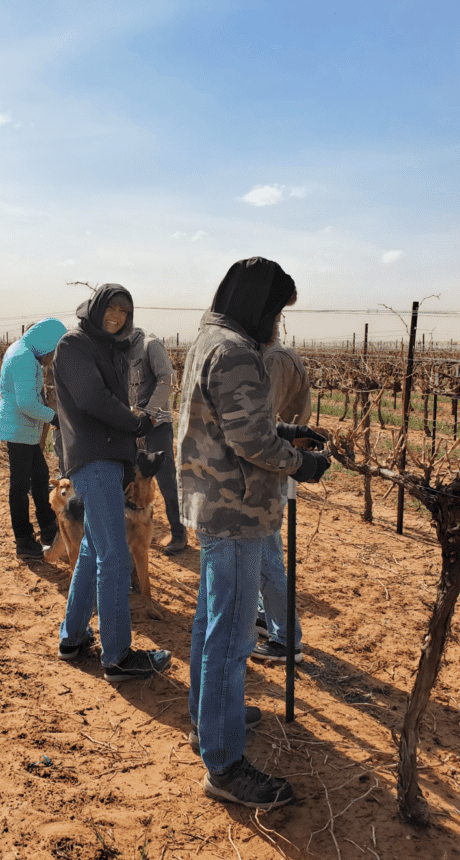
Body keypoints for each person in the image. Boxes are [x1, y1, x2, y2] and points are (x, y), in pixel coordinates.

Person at [177, 257, 330, 809]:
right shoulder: (238, 352)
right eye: (277, 311)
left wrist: (289, 429)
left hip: (210, 503)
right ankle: (223, 764)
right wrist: (300, 462)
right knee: (233, 637)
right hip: (237, 510)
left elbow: (232, 421)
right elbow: (253, 444)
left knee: (209, 624)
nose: (279, 324)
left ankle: (207, 720)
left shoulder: (209, 338)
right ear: (259, 306)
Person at [52, 284, 172, 683]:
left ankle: (72, 638)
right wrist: (135, 422)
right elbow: (92, 399)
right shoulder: (74, 344)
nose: (117, 316)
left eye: (124, 310)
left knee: (92, 550)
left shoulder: (111, 349)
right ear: (97, 309)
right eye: (111, 308)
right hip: (94, 458)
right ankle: (118, 656)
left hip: (110, 458)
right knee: (116, 558)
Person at [253, 321, 319, 662]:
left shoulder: (273, 360)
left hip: (275, 464)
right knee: (269, 548)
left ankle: (285, 639)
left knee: (267, 554)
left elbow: (263, 423)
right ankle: (268, 617)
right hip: (278, 460)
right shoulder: (272, 356)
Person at [0, 319, 67, 560]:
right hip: (19, 429)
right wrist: (54, 418)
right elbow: (26, 403)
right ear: (45, 343)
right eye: (54, 351)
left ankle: (48, 530)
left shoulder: (21, 350)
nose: (53, 359)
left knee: (40, 477)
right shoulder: (24, 358)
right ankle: (24, 541)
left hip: (23, 429)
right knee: (20, 486)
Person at [127, 327, 188, 555]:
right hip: (133, 427)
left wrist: (148, 414)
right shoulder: (119, 350)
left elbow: (167, 380)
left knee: (166, 481)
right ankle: (143, 532)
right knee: (135, 481)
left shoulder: (150, 345)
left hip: (156, 425)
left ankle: (179, 534)